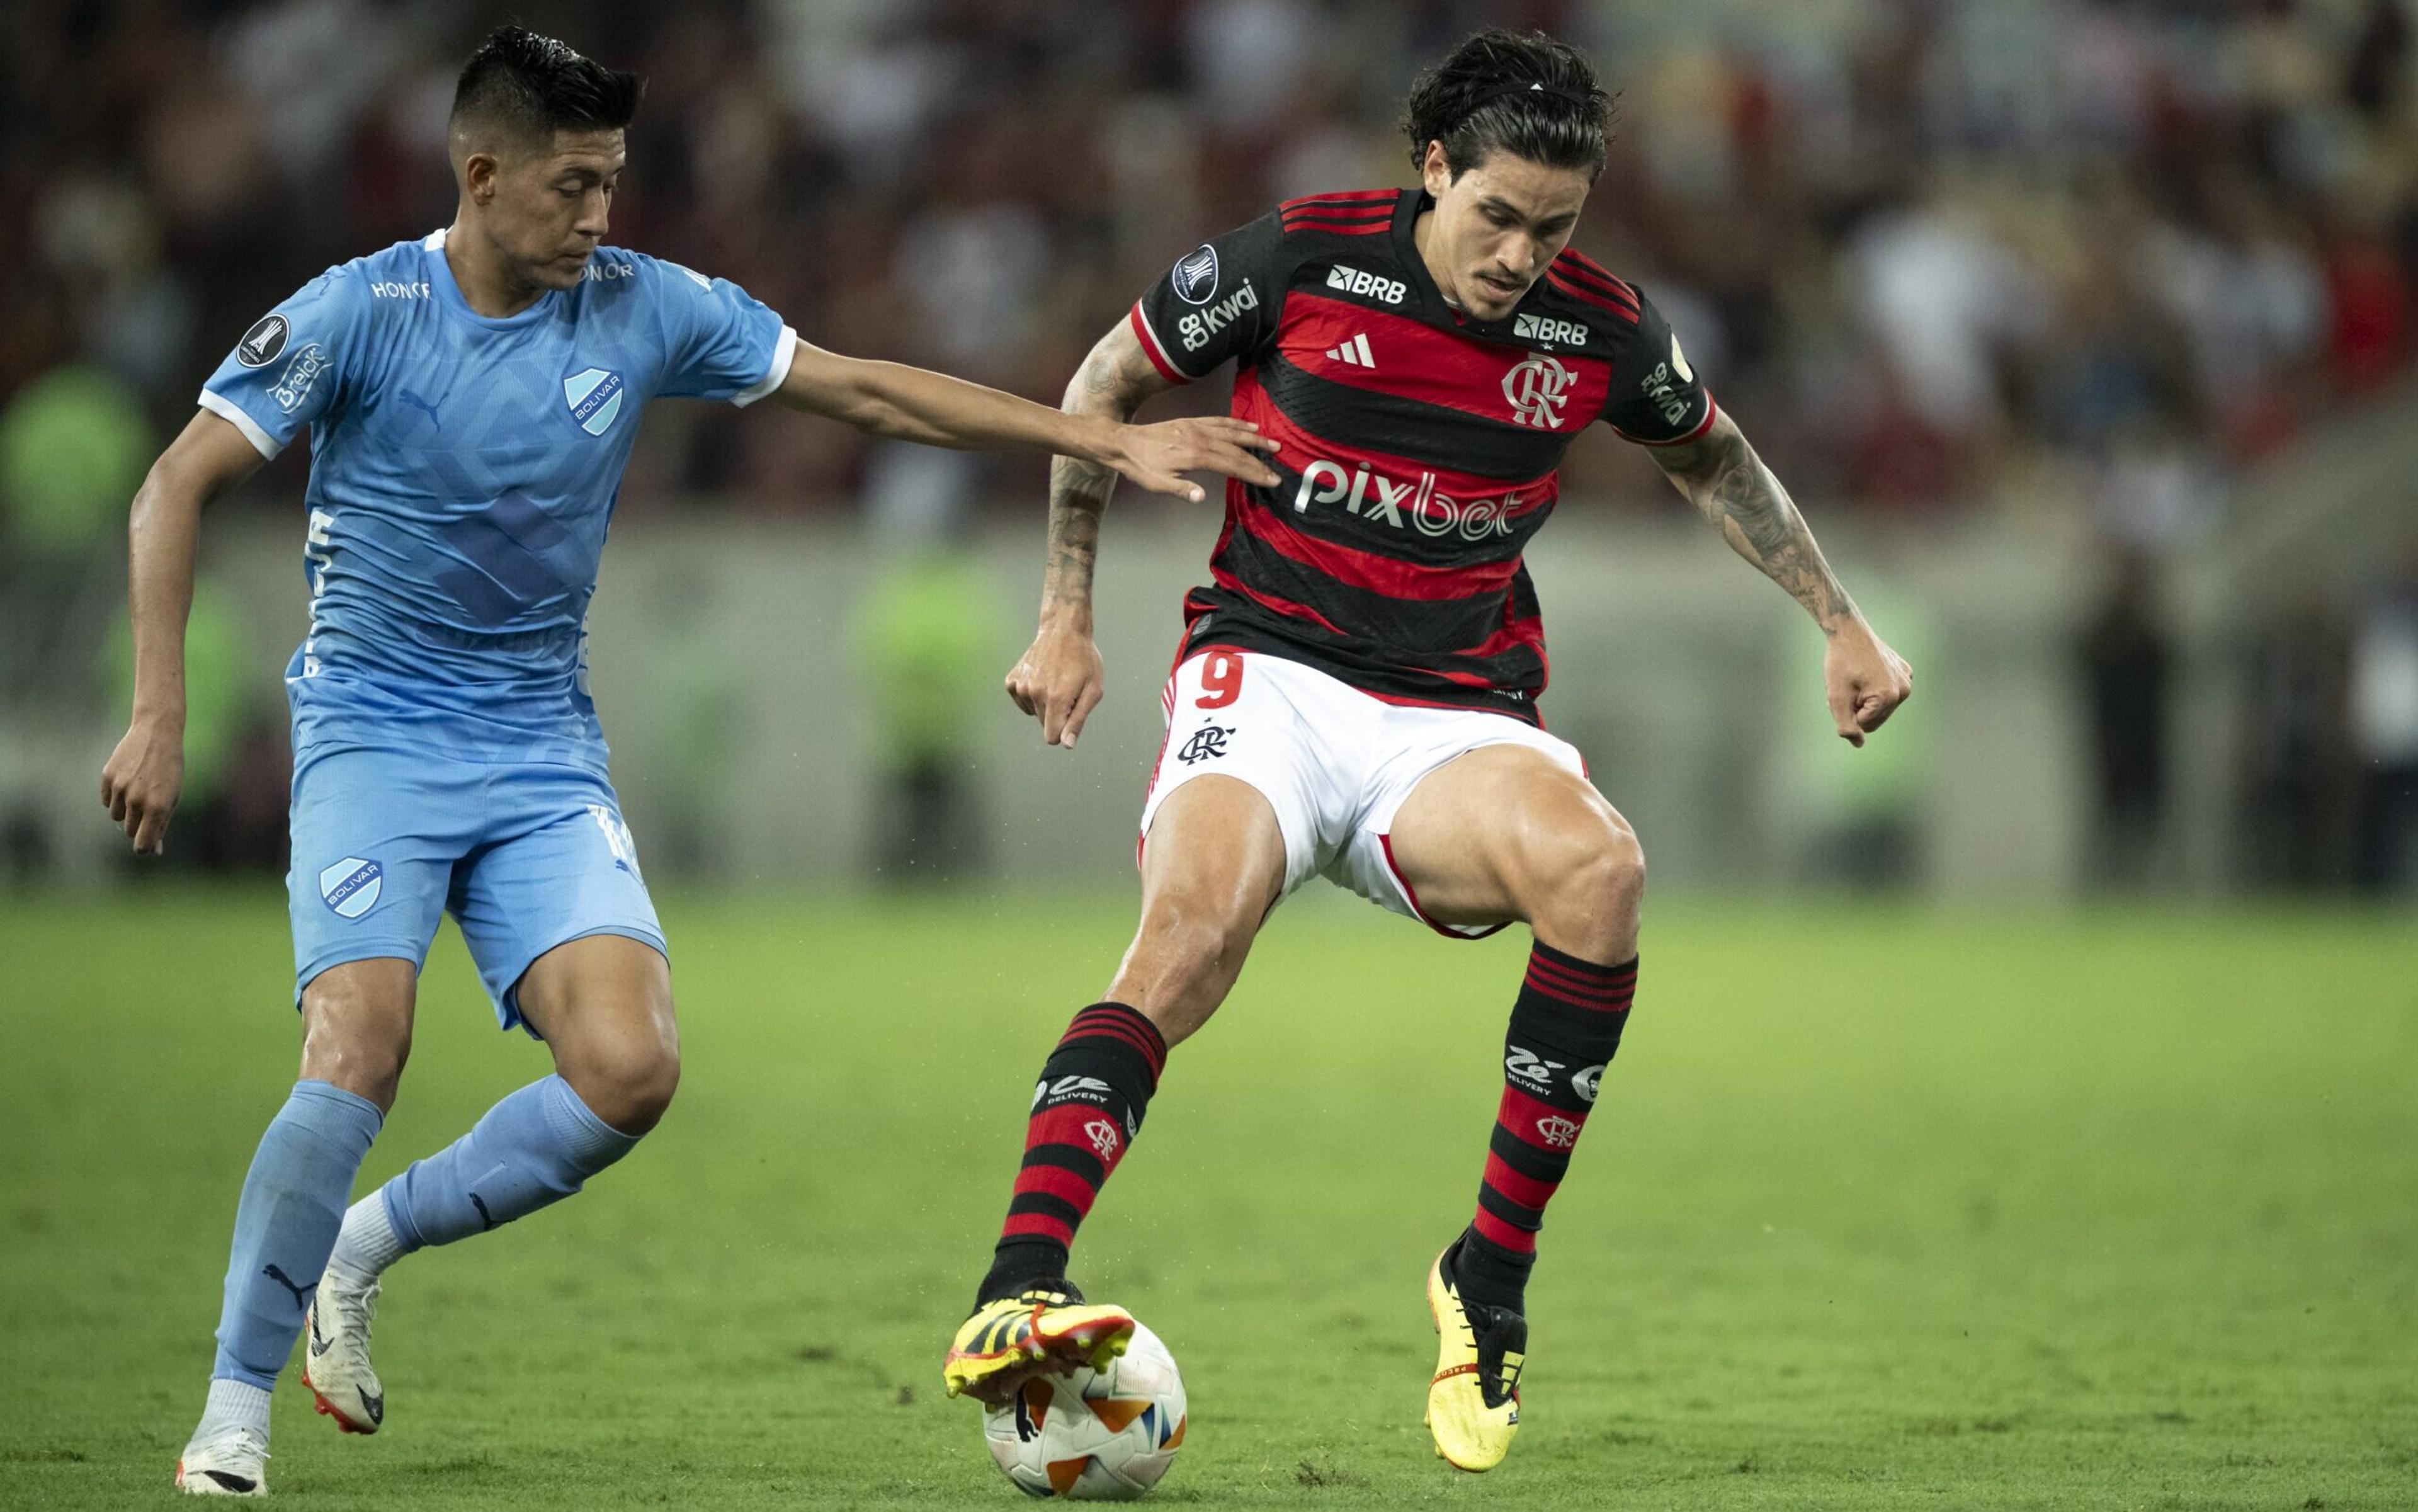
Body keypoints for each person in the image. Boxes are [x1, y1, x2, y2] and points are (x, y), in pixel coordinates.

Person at [101, 27, 1278, 1499]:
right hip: (376, 732)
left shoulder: (645, 307)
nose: (602, 216)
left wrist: (1091, 436)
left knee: (632, 1069)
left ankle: (368, 1236)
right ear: (481, 174)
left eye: (614, 182)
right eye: (575, 184)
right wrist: (160, 711)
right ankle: (231, 1407)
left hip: (537, 744)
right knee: (360, 1046)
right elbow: (173, 485)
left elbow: (867, 392)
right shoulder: (361, 312)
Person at [938, 29, 1911, 1474]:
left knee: (1601, 873)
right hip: (1265, 673)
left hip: (1454, 717)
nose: (1521, 255)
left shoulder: (1601, 329)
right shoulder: (1299, 259)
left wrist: (1837, 616)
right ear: (1434, 169)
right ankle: (1017, 1285)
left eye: (1555, 227)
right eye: (1498, 215)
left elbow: (1712, 451)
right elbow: (1100, 383)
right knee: (1187, 941)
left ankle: (1487, 1278)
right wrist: (1066, 613)